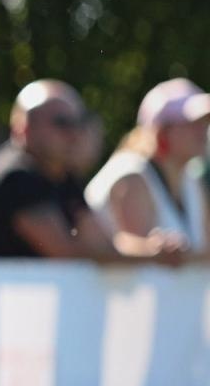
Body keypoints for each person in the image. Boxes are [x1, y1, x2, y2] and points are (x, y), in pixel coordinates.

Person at [0, 79, 178, 262]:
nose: (73, 133)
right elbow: (68, 254)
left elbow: (101, 245)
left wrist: (153, 250)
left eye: (79, 122)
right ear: (23, 129)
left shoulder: (64, 177)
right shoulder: (16, 177)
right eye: (61, 122)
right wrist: (150, 255)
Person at [85, 78, 210, 257]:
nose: (202, 131)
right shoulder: (131, 177)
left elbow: (204, 253)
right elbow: (137, 264)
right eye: (191, 123)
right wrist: (151, 248)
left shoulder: (191, 180)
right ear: (162, 131)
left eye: (204, 122)